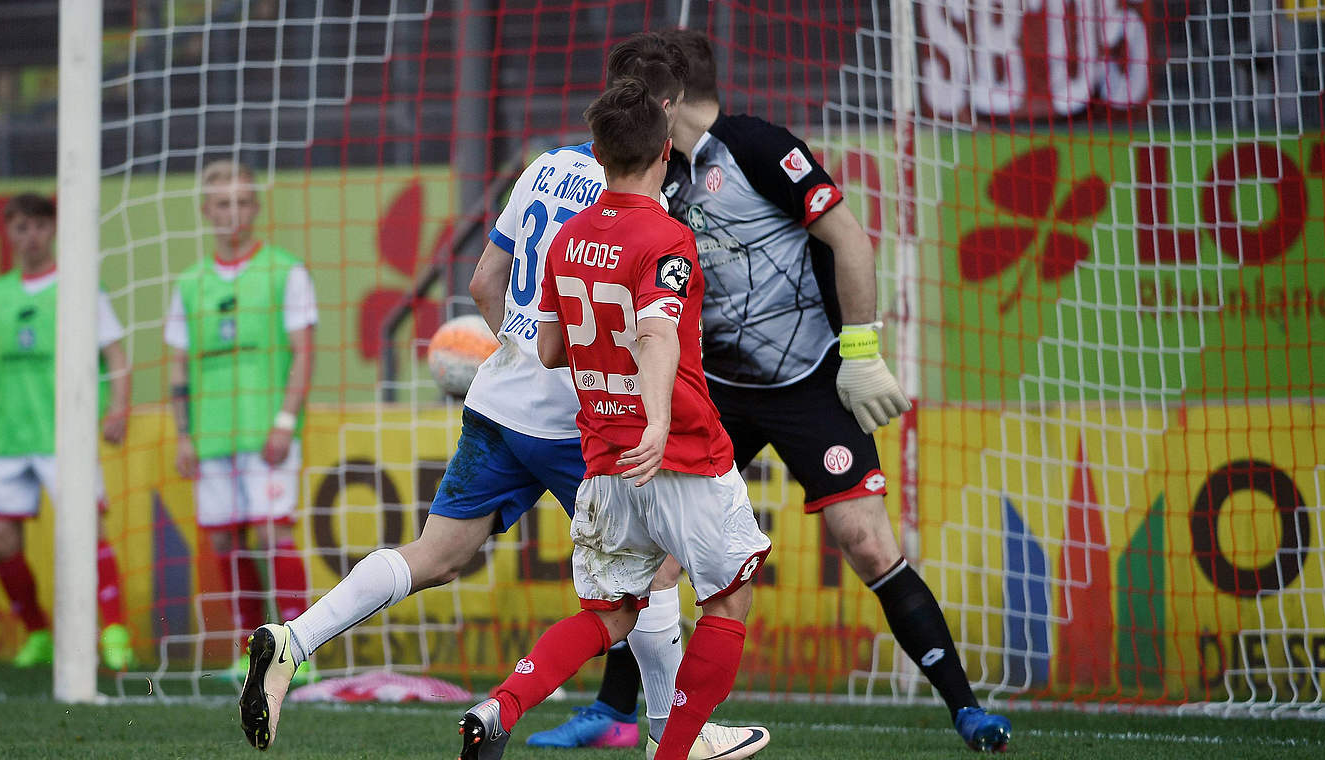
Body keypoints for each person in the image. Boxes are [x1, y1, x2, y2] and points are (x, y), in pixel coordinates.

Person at [237, 36, 767, 760]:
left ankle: (294, 640)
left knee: (435, 555)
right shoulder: (656, 200)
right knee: (652, 573)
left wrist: (521, 348)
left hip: (496, 399)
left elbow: (486, 282)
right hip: (585, 422)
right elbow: (653, 332)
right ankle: (674, 736)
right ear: (664, 116)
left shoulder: (542, 169)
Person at [596, 28, 1010, 752]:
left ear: (668, 98)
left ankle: (966, 708)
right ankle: (613, 714)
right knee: (657, 554)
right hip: (717, 387)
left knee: (867, 542)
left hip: (808, 379)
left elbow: (848, 238)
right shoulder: (653, 173)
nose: (621, 112)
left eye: (633, 97)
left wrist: (861, 349)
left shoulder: (757, 147)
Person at [458, 76, 771, 760]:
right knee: (728, 596)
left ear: (596, 155)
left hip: (601, 455)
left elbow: (545, 349)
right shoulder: (667, 238)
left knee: (611, 614)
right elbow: (659, 333)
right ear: (666, 150)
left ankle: (500, 703)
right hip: (680, 450)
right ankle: (676, 750)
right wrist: (657, 421)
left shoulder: (567, 241)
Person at [165, 160, 317, 682]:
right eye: (222, 204)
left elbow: (303, 352)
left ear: (255, 208)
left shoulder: (285, 271)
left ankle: (295, 648)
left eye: (242, 202)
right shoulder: (188, 284)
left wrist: (284, 420)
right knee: (226, 540)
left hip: (266, 432)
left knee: (276, 532)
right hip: (210, 435)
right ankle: (254, 649)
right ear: (207, 211)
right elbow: (178, 365)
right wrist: (184, 434)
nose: (233, 213)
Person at [0, 192, 135, 670]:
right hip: (9, 436)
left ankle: (115, 632)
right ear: (10, 233)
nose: (31, 236)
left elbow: (115, 355)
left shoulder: (79, 286)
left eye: (39, 226)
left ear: (53, 230)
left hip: (67, 434)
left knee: (88, 530)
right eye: (21, 228)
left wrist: (119, 407)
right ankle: (39, 634)